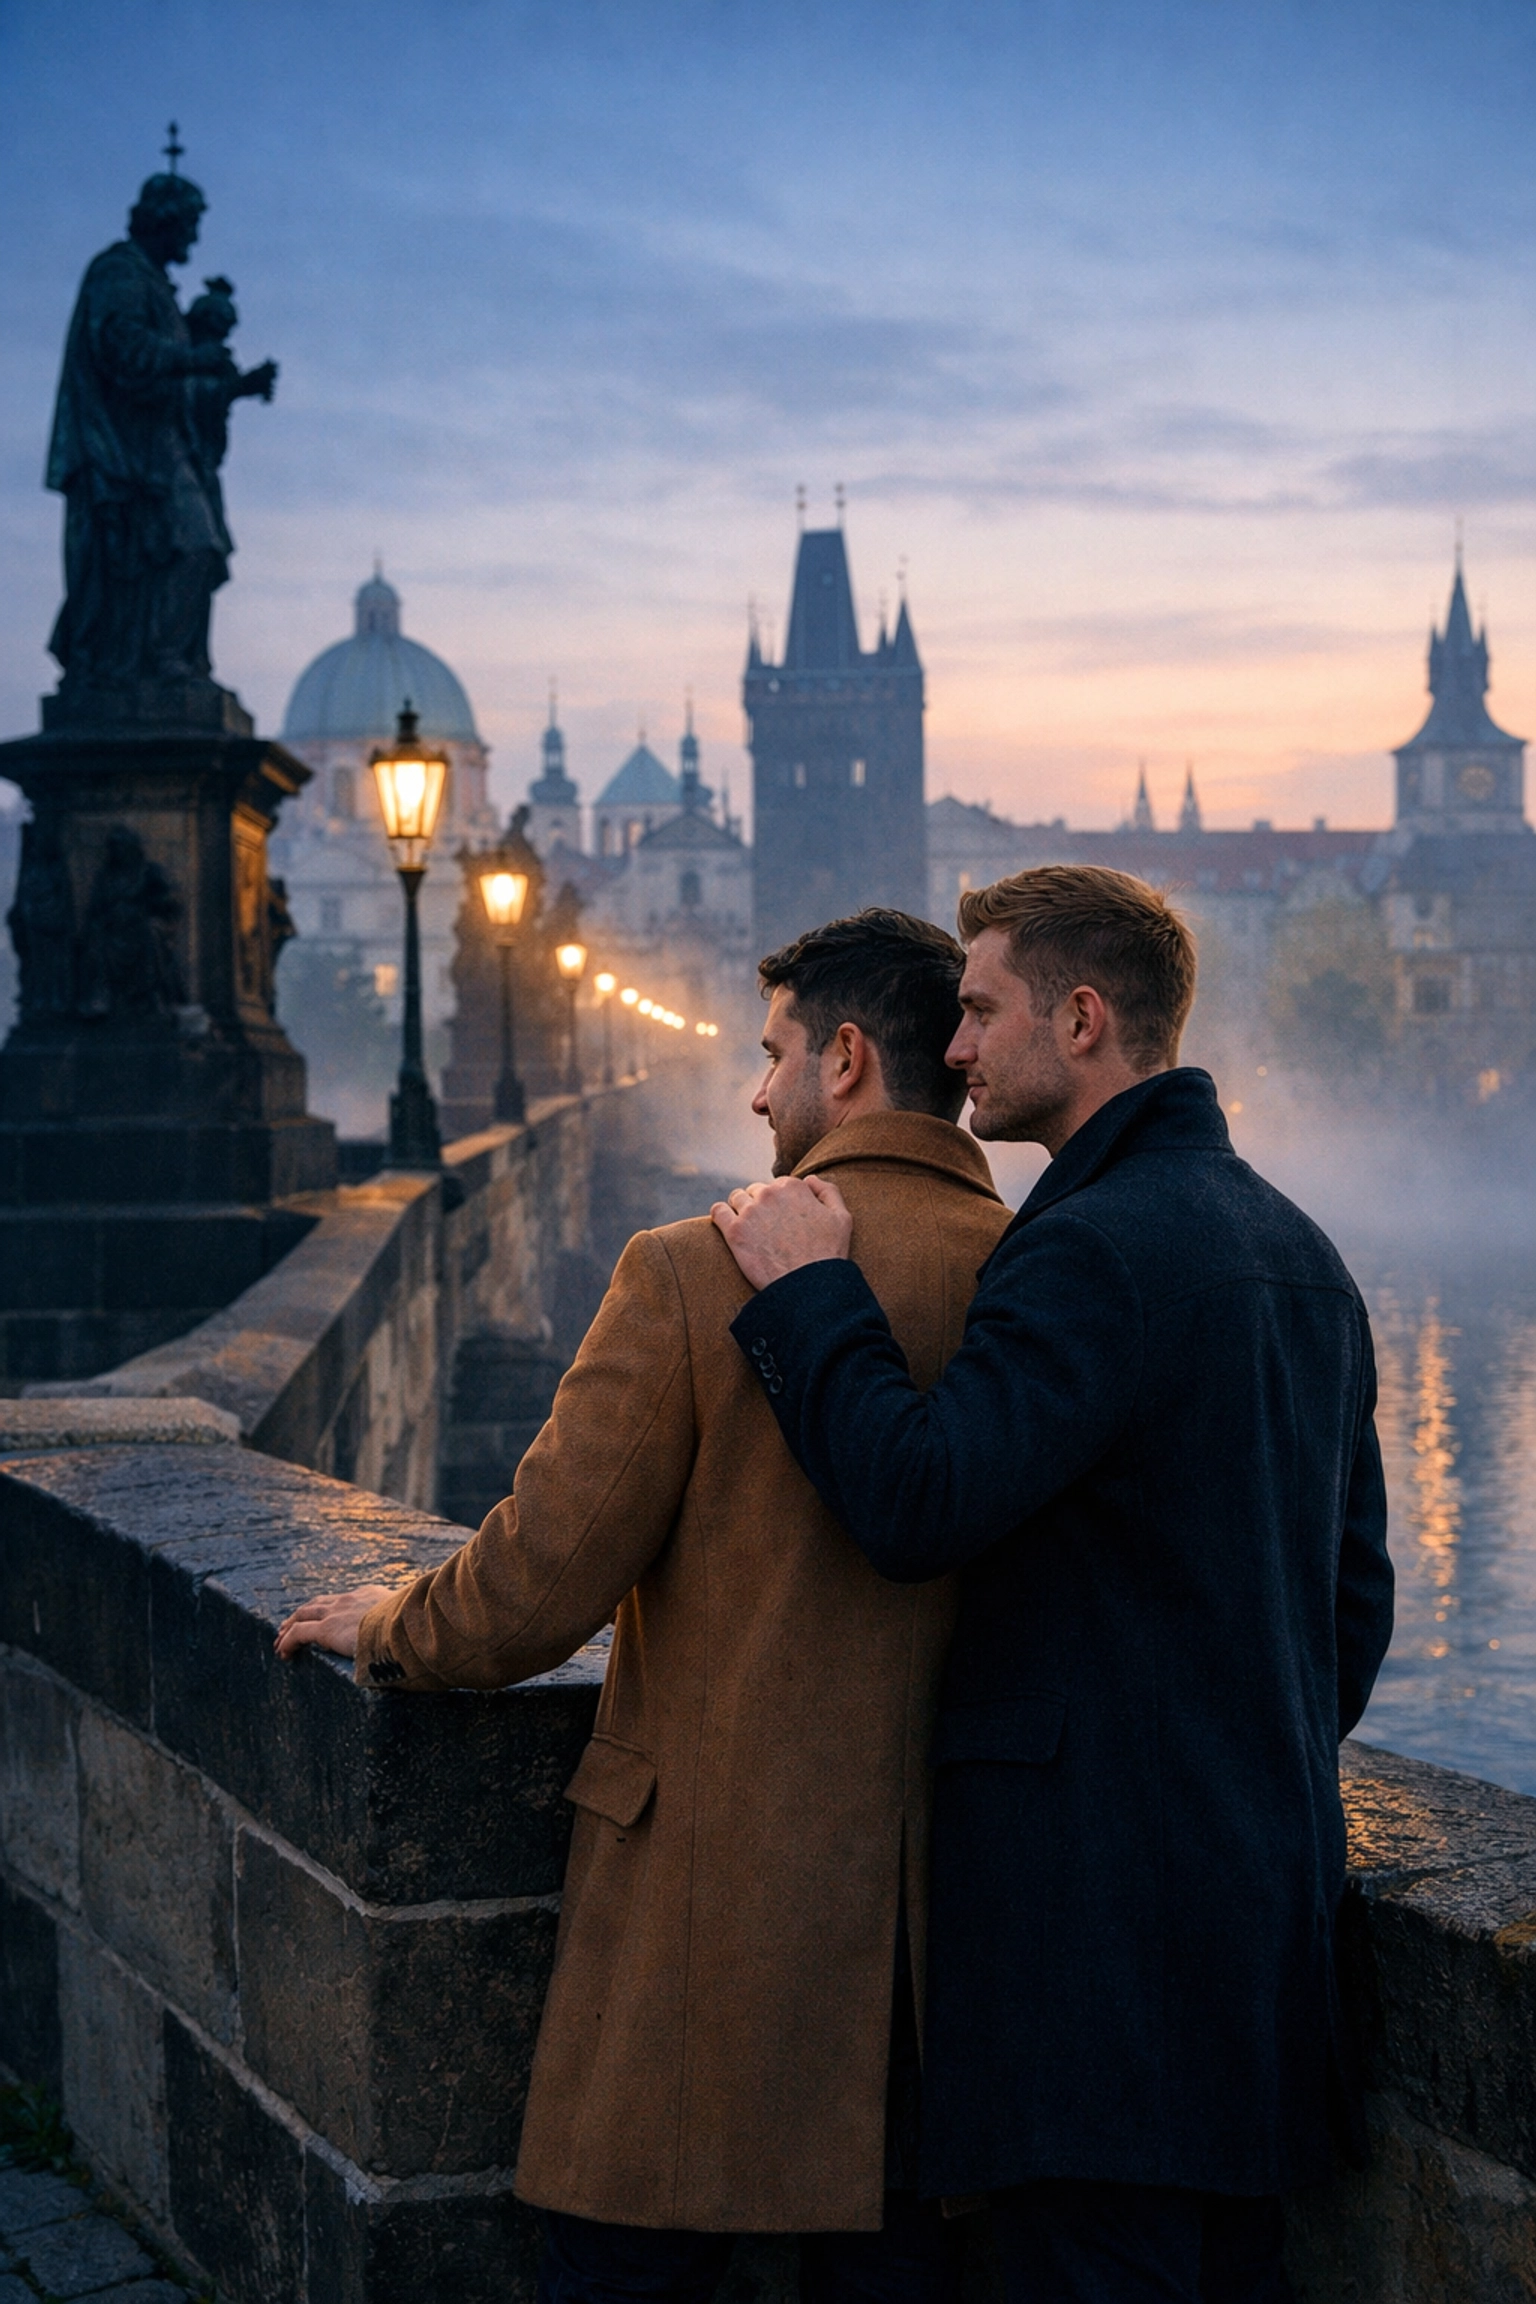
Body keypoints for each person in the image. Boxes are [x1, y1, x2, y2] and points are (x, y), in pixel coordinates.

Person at [276, 908, 1013, 2304]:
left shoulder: (693, 1268)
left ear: (846, 1059)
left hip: (705, 1928)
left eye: (775, 1053)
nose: (754, 1089)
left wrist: (384, 1622)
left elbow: (527, 1592)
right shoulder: (1034, 1276)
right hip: (949, 1960)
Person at [712, 866, 1394, 2304]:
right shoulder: (1303, 1255)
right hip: (1259, 1943)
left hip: (1095, 1976)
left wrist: (807, 1296)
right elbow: (1350, 1612)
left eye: (978, 1009)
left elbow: (918, 1499)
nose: (952, 1052)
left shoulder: (1088, 1249)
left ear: (1080, 1020)